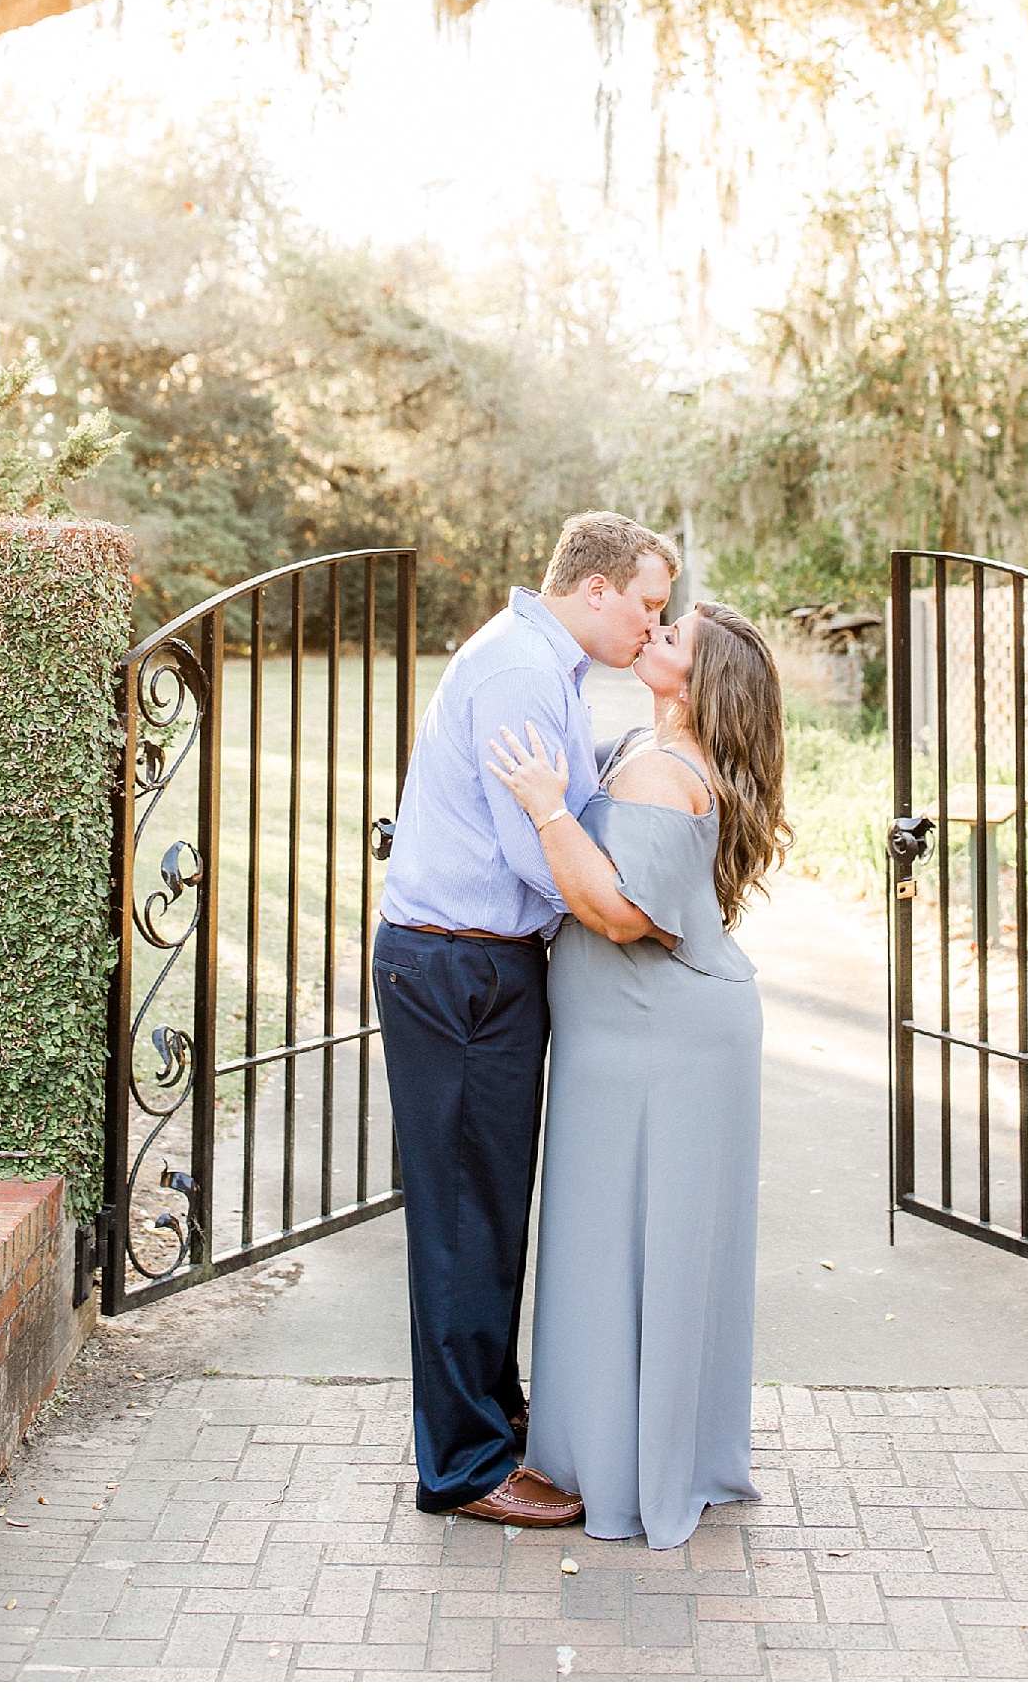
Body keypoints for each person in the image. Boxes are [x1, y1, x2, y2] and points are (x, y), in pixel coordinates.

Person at [372, 511, 680, 1527]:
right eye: (647, 603)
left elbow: (576, 810)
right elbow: (538, 848)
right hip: (459, 967)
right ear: (595, 588)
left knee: (489, 1209)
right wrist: (640, 917)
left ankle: (491, 1420)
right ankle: (463, 1465)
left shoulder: (552, 671)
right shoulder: (515, 670)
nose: (653, 623)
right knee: (465, 1220)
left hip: (486, 966)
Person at [489, 599, 789, 1549]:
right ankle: (627, 1445)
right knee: (607, 1239)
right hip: (625, 1037)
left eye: (675, 638)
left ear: (702, 683)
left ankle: (627, 1469)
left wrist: (543, 807)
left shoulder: (665, 771)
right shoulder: (642, 746)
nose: (654, 636)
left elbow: (622, 913)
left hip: (661, 1044)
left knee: (632, 1241)